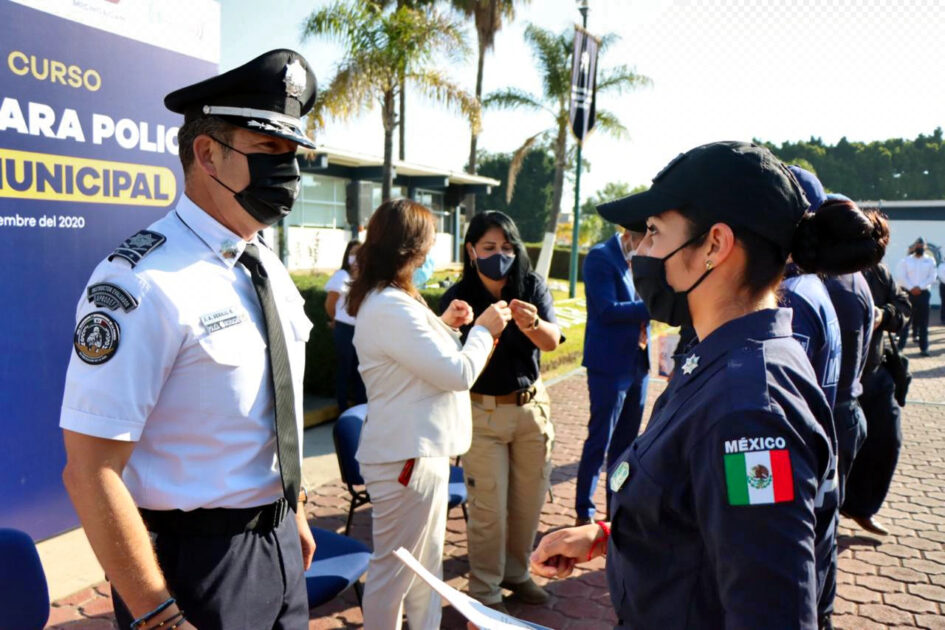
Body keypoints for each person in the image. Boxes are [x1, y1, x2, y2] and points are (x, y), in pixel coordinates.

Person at [528, 141, 886, 630]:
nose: (641, 252)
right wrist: (610, 535)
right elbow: (705, 513)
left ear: (715, 245)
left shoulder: (750, 410)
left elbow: (771, 614)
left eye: (653, 233)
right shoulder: (718, 358)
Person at [60, 50, 320, 629]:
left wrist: (293, 509)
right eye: (269, 150)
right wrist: (157, 614)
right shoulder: (140, 281)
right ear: (207, 154)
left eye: (293, 154)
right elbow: (89, 470)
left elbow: (269, 413)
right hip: (195, 566)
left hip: (277, 539)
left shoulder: (264, 264)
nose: (291, 172)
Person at [349, 200, 511, 630]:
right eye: (430, 244)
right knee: (395, 573)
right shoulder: (390, 305)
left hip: (418, 453)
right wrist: (483, 331)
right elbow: (456, 373)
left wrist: (446, 324)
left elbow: (414, 360)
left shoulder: (395, 300)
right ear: (411, 249)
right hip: (408, 458)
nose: (433, 254)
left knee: (424, 570)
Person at [439, 210, 562, 611]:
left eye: (507, 247)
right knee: (489, 511)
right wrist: (470, 328)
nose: (499, 255)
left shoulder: (531, 286)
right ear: (472, 250)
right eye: (489, 247)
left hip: (530, 410)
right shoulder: (459, 297)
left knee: (527, 505)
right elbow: (443, 357)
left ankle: (517, 573)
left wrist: (533, 324)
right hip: (482, 416)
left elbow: (552, 341)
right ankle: (485, 594)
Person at [575, 227, 649, 526]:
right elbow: (606, 310)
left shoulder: (644, 258)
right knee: (600, 440)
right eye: (648, 236)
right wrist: (654, 305)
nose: (651, 244)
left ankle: (615, 507)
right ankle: (584, 511)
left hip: (638, 363)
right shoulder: (600, 258)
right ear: (630, 233)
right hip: (609, 366)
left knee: (627, 445)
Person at [843, 251, 912, 535]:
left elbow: (903, 306)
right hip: (834, 382)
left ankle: (860, 508)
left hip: (874, 374)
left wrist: (884, 315)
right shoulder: (813, 270)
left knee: (888, 439)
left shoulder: (876, 271)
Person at [325, 239, 367, 411]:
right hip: (344, 329)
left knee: (360, 370)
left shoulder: (365, 278)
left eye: (359, 254)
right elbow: (330, 303)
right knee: (345, 368)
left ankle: (360, 405)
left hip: (361, 330)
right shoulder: (341, 276)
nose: (355, 258)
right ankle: (342, 407)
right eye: (352, 254)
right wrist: (336, 319)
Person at [896, 237, 936, 356]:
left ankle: (924, 348)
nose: (920, 247)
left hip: (923, 294)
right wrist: (912, 287)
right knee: (906, 322)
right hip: (908, 293)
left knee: (923, 323)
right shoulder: (906, 261)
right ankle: (900, 348)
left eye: (922, 246)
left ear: (925, 247)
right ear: (914, 247)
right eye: (918, 245)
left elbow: (932, 277)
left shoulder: (930, 261)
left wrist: (920, 287)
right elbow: (901, 277)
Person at [939, 257, 945, 325]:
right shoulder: (941, 266)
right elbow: (941, 276)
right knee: (944, 302)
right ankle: (943, 319)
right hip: (944, 286)